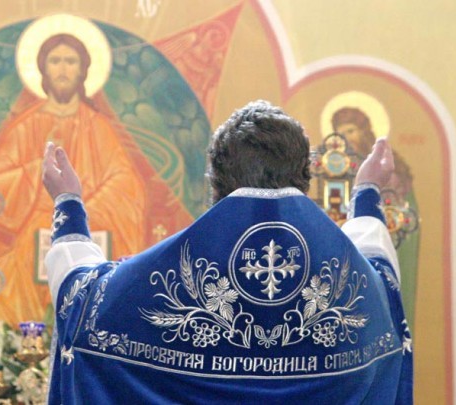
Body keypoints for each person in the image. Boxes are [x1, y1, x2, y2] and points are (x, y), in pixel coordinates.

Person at [43, 100, 413, 404]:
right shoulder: (348, 285)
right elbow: (383, 278)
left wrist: (68, 204)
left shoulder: (169, 275)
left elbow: (82, 300)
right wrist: (366, 192)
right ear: (304, 177)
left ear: (215, 181)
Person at [0, 33, 147, 325]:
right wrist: (33, 171)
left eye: (70, 61)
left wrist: (79, 211)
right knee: (16, 275)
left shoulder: (97, 127)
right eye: (55, 61)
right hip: (31, 236)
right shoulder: (26, 127)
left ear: (83, 70)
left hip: (88, 230)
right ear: (43, 68)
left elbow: (125, 184)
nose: (63, 68)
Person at [332, 106, 419, 329]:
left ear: (364, 131)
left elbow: (402, 208)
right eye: (342, 133)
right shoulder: (336, 166)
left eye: (351, 131)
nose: (347, 138)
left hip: (387, 242)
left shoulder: (386, 166)